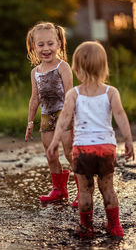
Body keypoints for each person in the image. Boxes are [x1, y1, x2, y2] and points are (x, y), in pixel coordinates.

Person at [47, 41, 135, 238]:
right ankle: (114, 226)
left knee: (86, 192)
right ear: (104, 68)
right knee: (108, 189)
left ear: (76, 69)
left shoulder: (74, 94)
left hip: (83, 150)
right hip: (105, 149)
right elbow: (120, 116)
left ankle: (86, 228)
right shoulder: (111, 92)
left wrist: (54, 143)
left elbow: (64, 120)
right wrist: (128, 140)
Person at [25, 21, 79, 206]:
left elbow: (70, 92)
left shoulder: (62, 67)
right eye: (41, 45)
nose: (46, 49)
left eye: (50, 44)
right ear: (34, 47)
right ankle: (59, 190)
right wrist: (30, 122)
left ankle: (83, 190)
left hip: (65, 114)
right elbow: (34, 99)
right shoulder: (35, 72)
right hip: (47, 116)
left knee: (70, 153)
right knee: (50, 154)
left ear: (59, 44)